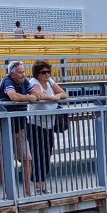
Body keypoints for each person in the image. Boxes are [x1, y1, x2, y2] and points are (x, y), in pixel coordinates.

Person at [0, 57, 37, 195]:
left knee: (27, 157)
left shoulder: (24, 81)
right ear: (12, 74)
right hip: (4, 127)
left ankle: (27, 190)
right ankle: (5, 190)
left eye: (24, 72)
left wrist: (32, 96)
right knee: (3, 159)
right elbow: (13, 96)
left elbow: (35, 94)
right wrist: (28, 98)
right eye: (20, 72)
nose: (23, 75)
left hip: (20, 125)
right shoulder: (7, 81)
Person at [27, 55, 67, 184]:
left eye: (48, 71)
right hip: (36, 125)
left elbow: (63, 94)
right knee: (38, 155)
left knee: (47, 154)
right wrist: (54, 97)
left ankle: (41, 182)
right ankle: (38, 184)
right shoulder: (34, 82)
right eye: (43, 72)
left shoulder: (50, 81)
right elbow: (39, 95)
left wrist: (55, 96)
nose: (46, 74)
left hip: (49, 124)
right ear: (37, 73)